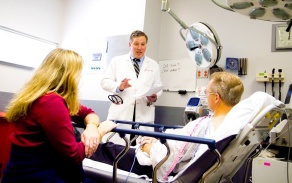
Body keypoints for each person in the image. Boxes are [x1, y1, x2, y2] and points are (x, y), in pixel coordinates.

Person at [90, 71, 244, 182]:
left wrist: (147, 146)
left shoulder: (208, 126)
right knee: (114, 147)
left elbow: (169, 156)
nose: (205, 94)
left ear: (216, 98)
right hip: (162, 149)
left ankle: (80, 146)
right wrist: (156, 141)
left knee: (110, 150)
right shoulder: (228, 123)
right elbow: (182, 143)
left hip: (153, 164)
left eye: (207, 92)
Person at [2, 48, 117, 183]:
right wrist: (101, 131)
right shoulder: (51, 102)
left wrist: (92, 127)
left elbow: (88, 112)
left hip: (21, 174)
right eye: (78, 73)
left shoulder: (38, 96)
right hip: (36, 177)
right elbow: (74, 155)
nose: (80, 78)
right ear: (69, 75)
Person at [100, 30, 163, 145]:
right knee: (118, 149)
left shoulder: (153, 65)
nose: (139, 48)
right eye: (136, 44)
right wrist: (119, 86)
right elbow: (104, 82)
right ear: (130, 45)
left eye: (143, 44)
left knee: (142, 152)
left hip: (144, 114)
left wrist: (154, 96)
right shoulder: (117, 61)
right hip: (121, 113)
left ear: (146, 45)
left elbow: (158, 86)